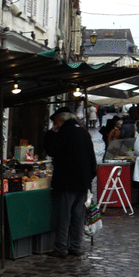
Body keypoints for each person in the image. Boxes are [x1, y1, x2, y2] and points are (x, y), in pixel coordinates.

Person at [44, 107, 97, 258]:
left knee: (64, 215)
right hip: (83, 181)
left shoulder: (63, 133)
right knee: (78, 216)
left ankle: (61, 247)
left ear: (60, 120)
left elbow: (51, 150)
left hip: (67, 181)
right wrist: (89, 178)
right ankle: (76, 246)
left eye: (55, 122)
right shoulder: (83, 132)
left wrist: (50, 134)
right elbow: (92, 159)